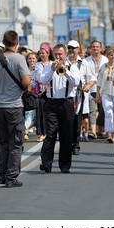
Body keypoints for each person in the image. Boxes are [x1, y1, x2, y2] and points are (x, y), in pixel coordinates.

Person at [0, 30, 31, 188]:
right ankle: (11, 177)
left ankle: (2, 176)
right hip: (14, 106)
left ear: (3, 43)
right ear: (16, 42)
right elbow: (26, 82)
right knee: (16, 143)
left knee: (4, 142)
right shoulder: (19, 59)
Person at [39, 44, 81, 173]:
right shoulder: (48, 67)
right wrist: (52, 70)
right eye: (56, 54)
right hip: (51, 103)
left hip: (66, 103)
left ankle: (64, 165)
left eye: (60, 54)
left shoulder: (72, 68)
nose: (58, 57)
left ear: (65, 54)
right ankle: (46, 163)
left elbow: (76, 82)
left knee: (66, 135)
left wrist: (65, 70)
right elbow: (43, 80)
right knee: (50, 133)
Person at [66, 40, 96, 155]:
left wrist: (88, 85)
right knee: (67, 120)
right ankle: (68, 143)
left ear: (78, 49)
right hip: (65, 95)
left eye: (74, 48)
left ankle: (76, 144)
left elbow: (92, 78)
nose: (71, 50)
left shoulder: (83, 63)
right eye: (69, 48)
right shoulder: (64, 61)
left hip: (79, 94)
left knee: (77, 120)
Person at [85, 41, 108, 139]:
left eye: (97, 47)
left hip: (103, 88)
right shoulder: (86, 61)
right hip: (91, 88)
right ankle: (93, 132)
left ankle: (101, 129)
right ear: (90, 48)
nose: (95, 49)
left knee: (103, 110)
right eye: (93, 47)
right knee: (92, 110)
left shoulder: (105, 59)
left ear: (101, 48)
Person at [96, 47, 114, 143]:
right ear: (107, 56)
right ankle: (109, 133)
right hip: (106, 92)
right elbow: (99, 82)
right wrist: (98, 94)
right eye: (110, 54)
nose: (112, 56)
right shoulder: (103, 67)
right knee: (108, 112)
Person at [31, 43, 54, 142]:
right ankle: (40, 133)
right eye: (40, 53)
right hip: (39, 91)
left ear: (48, 53)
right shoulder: (36, 65)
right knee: (40, 112)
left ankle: (49, 132)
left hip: (51, 91)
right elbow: (33, 77)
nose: (42, 55)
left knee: (50, 113)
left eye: (43, 53)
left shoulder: (53, 64)